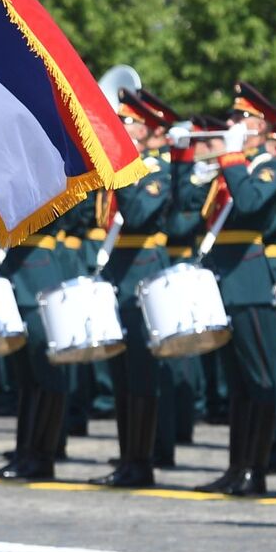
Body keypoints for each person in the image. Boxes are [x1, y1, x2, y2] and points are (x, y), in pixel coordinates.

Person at [195, 84, 276, 496]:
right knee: (237, 383)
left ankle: (258, 469)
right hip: (225, 277)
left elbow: (251, 204)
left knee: (261, 380)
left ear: (259, 127)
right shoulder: (235, 167)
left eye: (240, 119)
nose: (231, 124)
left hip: (251, 280)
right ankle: (237, 467)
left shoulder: (267, 165)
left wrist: (231, 157)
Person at [92, 90, 171, 488]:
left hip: (144, 273)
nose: (120, 129)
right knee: (122, 375)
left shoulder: (156, 169)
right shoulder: (129, 168)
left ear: (146, 130)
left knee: (141, 375)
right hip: (120, 274)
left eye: (127, 123)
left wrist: (122, 167)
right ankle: (127, 458)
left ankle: (143, 460)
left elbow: (139, 215)